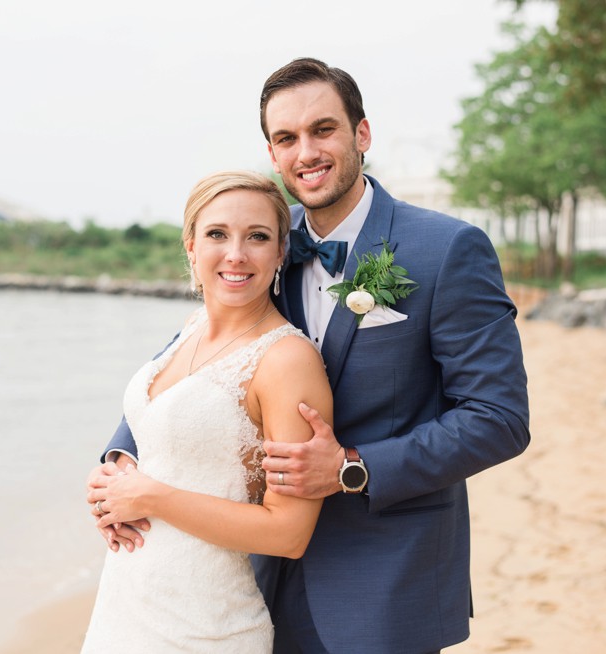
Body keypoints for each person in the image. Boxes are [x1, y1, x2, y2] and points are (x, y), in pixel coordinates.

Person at [91, 57, 530, 653]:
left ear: (362, 134)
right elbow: (194, 356)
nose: (307, 152)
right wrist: (121, 458)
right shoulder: (264, 240)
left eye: (323, 129)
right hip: (254, 575)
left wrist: (354, 466)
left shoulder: (446, 249)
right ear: (272, 154)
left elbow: (498, 419)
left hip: (385, 575)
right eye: (286, 138)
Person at [81, 170, 334, 653]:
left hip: (205, 624)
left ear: (281, 252)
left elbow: (289, 533)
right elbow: (163, 439)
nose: (236, 253)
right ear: (191, 247)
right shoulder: (192, 326)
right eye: (217, 234)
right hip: (126, 602)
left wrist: (150, 497)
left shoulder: (286, 361)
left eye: (257, 237)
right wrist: (115, 474)